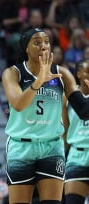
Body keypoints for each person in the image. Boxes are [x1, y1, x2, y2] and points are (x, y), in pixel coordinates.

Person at [1, 28, 89, 204]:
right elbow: (18, 104)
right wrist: (39, 80)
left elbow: (84, 111)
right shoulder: (13, 73)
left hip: (52, 146)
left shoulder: (62, 73)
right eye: (37, 42)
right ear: (26, 47)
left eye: (47, 42)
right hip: (21, 146)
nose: (44, 46)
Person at [62, 59, 89, 204]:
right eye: (88, 71)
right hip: (76, 155)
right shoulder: (68, 96)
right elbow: (64, 130)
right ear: (79, 73)